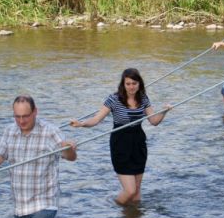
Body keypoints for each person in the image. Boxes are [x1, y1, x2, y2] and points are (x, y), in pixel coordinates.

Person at [70, 68, 170, 206]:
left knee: (137, 192)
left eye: (134, 83)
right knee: (130, 191)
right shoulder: (114, 99)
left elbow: (154, 121)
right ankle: (114, 208)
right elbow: (96, 119)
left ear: (139, 83)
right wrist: (81, 124)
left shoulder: (143, 99)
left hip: (138, 143)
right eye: (128, 84)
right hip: (120, 143)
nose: (131, 87)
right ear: (123, 84)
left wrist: (164, 112)